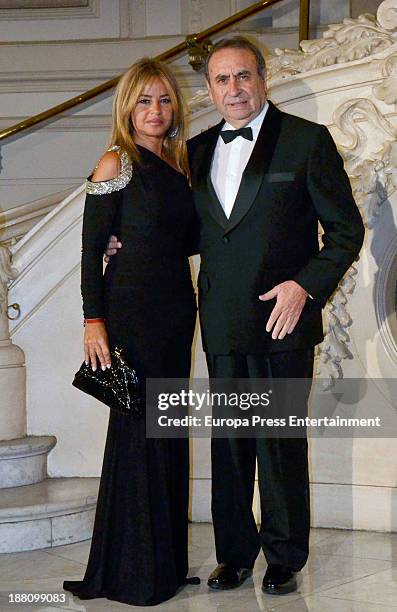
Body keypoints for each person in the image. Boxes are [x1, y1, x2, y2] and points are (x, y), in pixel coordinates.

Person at [106, 37, 365, 596]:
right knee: (229, 446)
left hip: (283, 320)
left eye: (243, 76)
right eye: (222, 81)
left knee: (279, 444)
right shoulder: (193, 153)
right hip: (220, 320)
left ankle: (284, 556)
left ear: (263, 79)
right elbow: (175, 230)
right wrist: (116, 243)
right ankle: (234, 554)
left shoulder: (306, 142)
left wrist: (305, 286)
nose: (235, 89)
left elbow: (346, 232)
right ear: (209, 90)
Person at [63, 58, 199, 607]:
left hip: (174, 310)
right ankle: (132, 573)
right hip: (130, 311)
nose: (156, 110)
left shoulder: (180, 162)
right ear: (127, 107)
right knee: (138, 431)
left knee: (166, 431)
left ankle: (164, 567)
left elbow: (183, 239)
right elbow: (90, 247)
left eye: (164, 100)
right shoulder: (114, 161)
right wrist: (93, 320)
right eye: (144, 100)